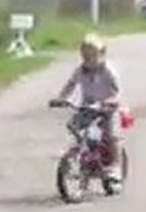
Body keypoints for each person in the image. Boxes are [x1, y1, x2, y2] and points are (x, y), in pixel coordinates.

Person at [49, 33, 123, 182]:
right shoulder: (80, 70)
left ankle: (116, 166)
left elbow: (117, 90)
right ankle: (82, 151)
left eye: (91, 56)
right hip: (88, 107)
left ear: (101, 54)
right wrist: (61, 98)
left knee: (111, 135)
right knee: (74, 125)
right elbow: (70, 84)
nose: (88, 60)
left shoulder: (108, 70)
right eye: (85, 56)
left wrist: (111, 101)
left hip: (106, 108)